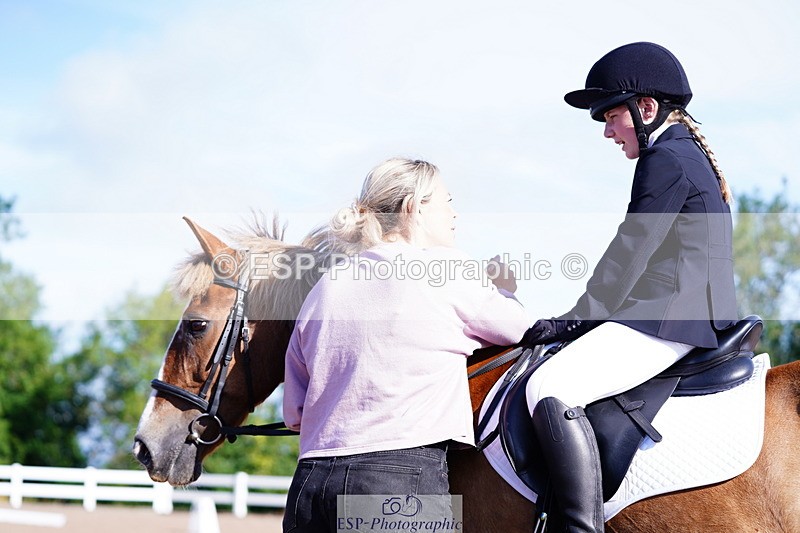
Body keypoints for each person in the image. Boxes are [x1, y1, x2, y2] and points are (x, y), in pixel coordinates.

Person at [520, 42, 738, 532]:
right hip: (680, 311)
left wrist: (578, 317)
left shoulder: (665, 157)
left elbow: (630, 248)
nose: (606, 131)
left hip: (669, 317)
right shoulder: (683, 152)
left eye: (609, 115)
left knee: (548, 387)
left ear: (645, 108)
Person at [282, 157, 532, 532]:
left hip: (310, 484)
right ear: (415, 206)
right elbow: (524, 331)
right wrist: (503, 290)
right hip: (396, 481)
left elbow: (297, 412)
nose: (454, 214)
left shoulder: (325, 287)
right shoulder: (445, 270)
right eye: (447, 201)